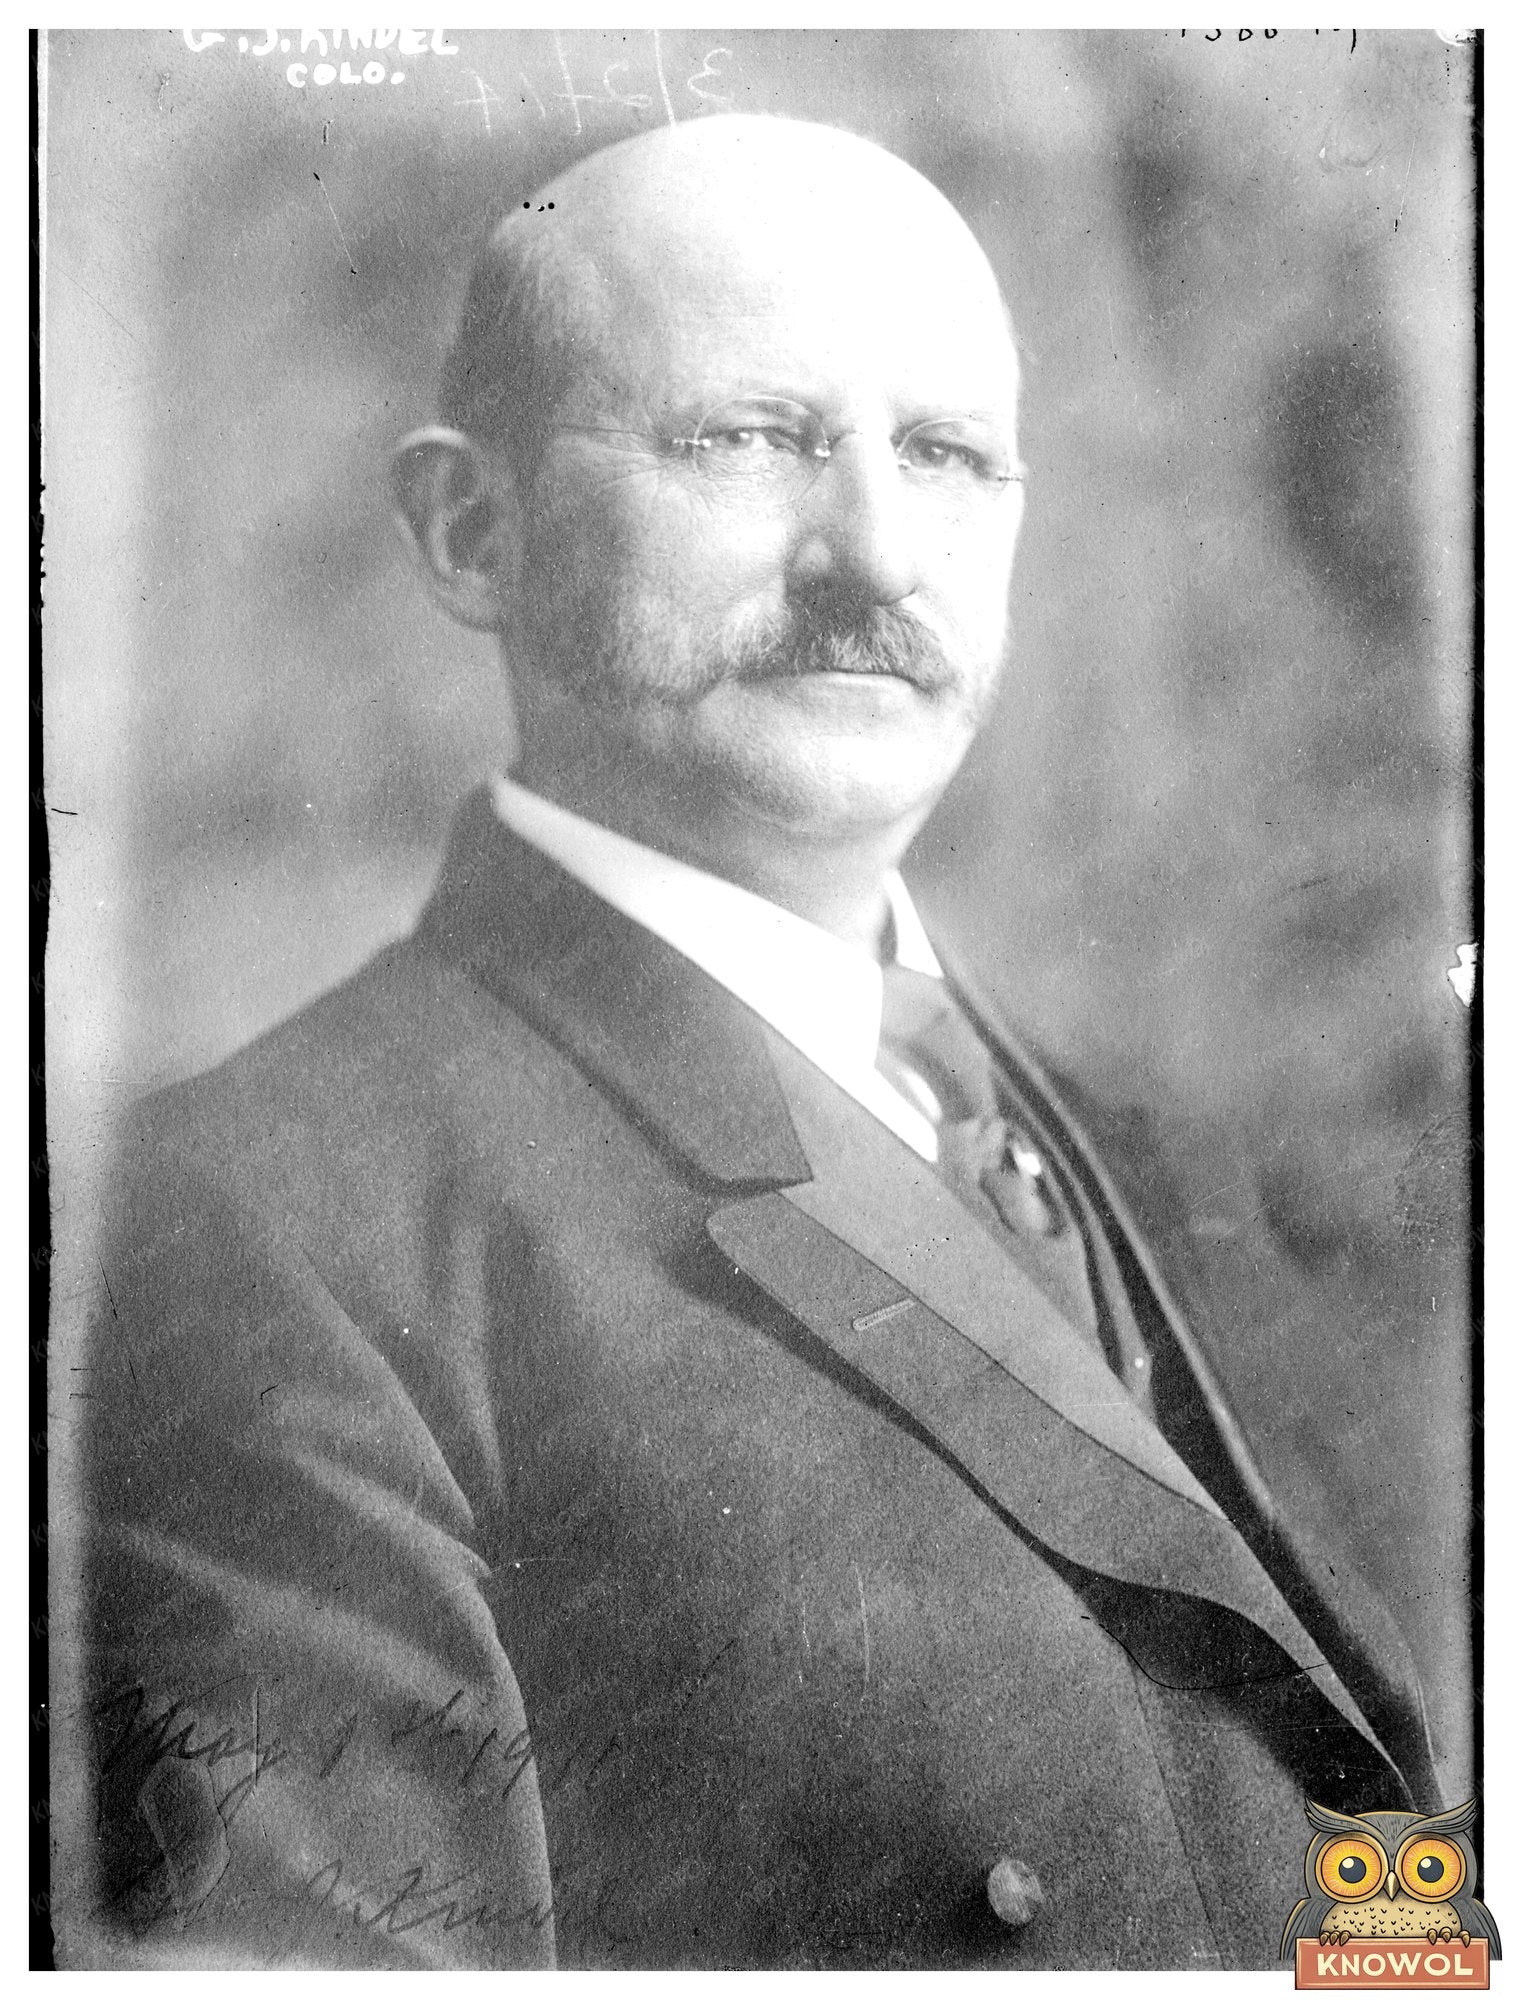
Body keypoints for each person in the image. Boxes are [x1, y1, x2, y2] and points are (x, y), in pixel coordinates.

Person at [79, 114, 1439, 1970]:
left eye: (948, 456)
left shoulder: (1159, 1176)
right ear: (471, 530)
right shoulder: (255, 1224)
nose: (874, 553)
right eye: (744, 440)